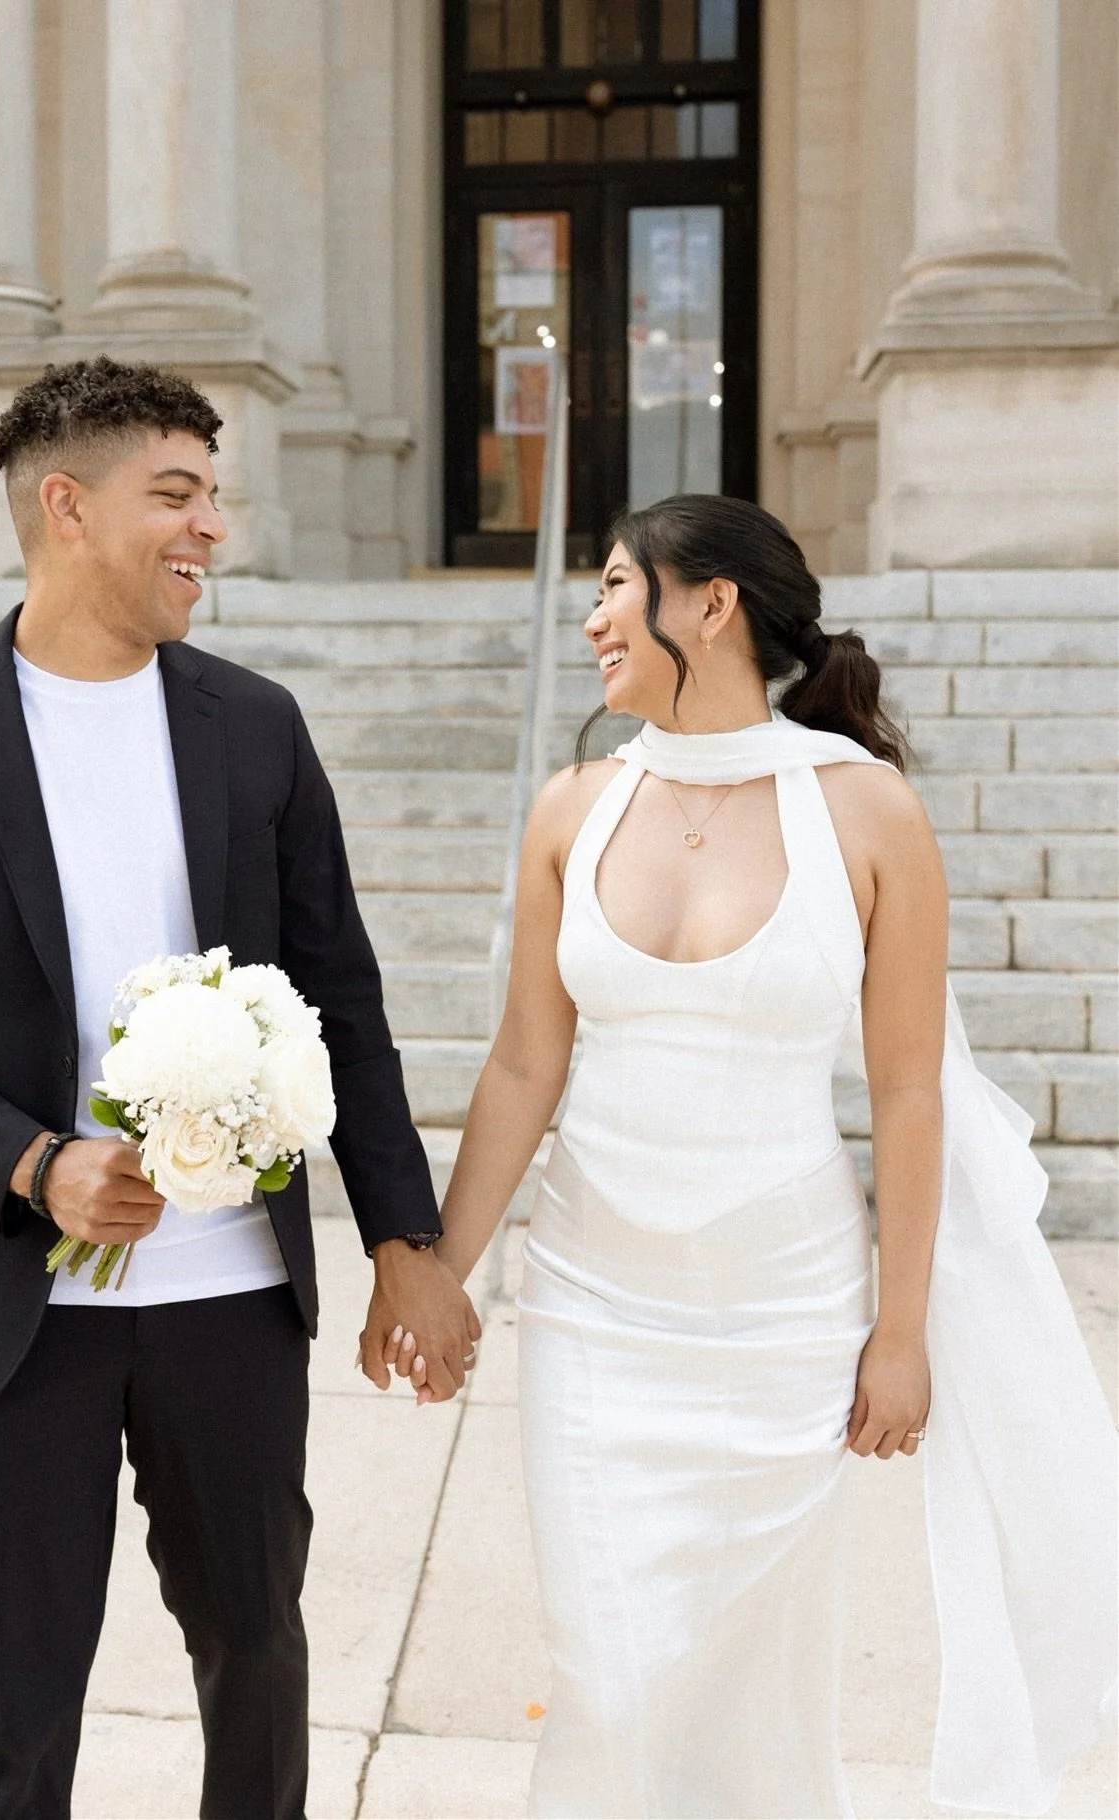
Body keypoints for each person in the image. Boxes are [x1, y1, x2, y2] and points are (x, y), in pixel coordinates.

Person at [0, 355, 480, 1820]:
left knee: (259, 1665)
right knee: (11, 1718)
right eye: (175, 496)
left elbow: (340, 998)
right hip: (11, 1312)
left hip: (232, 1299)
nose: (210, 528)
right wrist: (32, 1162)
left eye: (211, 496)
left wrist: (406, 1243)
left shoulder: (257, 725)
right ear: (67, 506)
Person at [378, 496, 1116, 1818]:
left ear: (710, 604)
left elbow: (908, 1092)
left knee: (758, 1690)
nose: (594, 619)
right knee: (608, 1676)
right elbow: (524, 1068)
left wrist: (901, 1333)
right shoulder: (573, 808)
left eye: (616, 586)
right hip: (594, 1314)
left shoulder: (869, 813)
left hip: (788, 1323)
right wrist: (442, 1268)